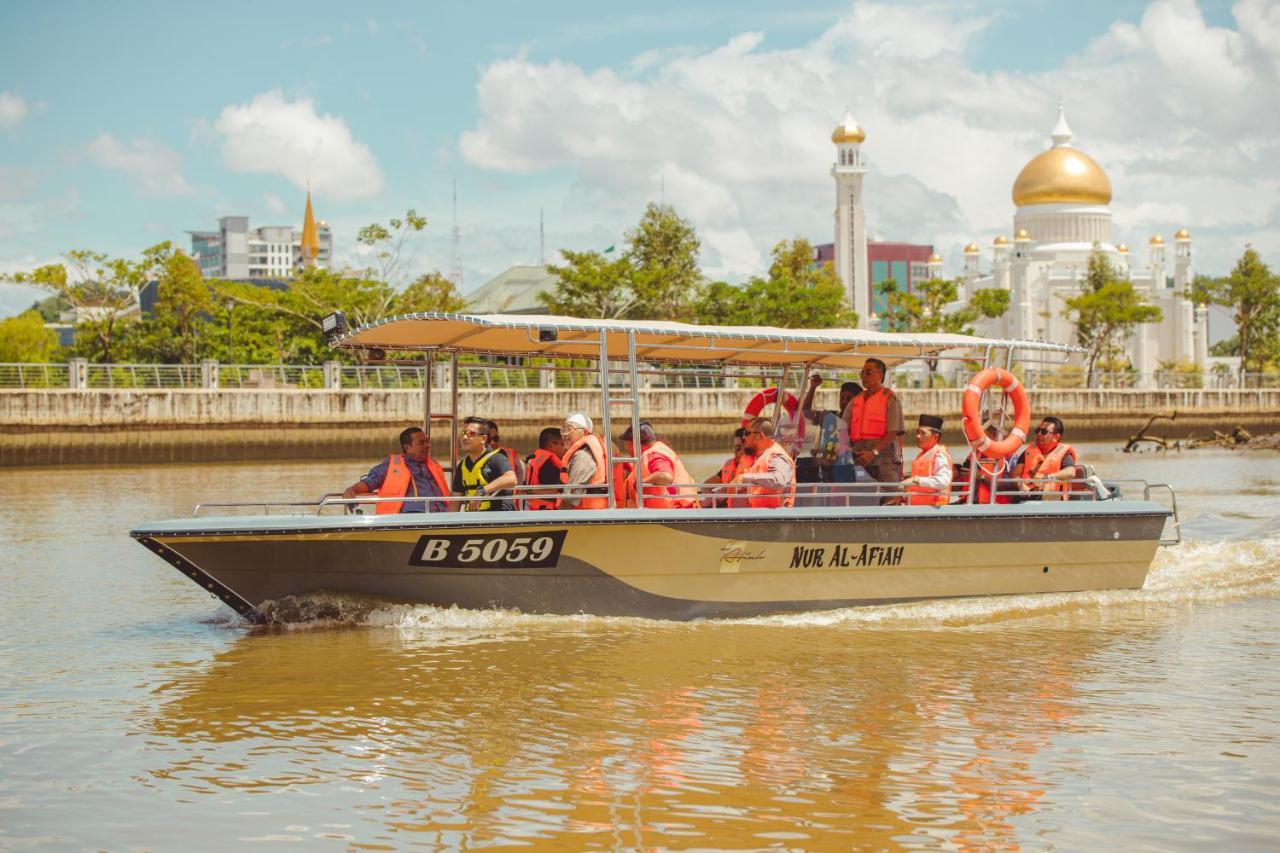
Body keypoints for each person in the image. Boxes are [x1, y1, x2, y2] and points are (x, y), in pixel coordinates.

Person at [342, 426, 449, 514]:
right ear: (407, 448)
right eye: (421, 443)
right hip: (410, 518)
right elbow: (369, 482)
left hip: (443, 516)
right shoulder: (391, 465)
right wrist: (352, 490)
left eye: (427, 442)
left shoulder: (434, 465)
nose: (427, 446)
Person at [800, 373, 862, 499]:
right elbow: (805, 412)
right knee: (804, 464)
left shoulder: (862, 423)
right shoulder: (831, 417)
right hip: (829, 471)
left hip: (849, 473)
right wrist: (812, 388)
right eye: (842, 398)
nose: (844, 402)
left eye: (848, 399)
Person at [848, 358, 906, 492]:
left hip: (884, 459)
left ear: (880, 375)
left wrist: (872, 453)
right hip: (860, 458)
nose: (863, 376)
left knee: (889, 498)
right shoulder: (855, 401)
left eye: (868, 373)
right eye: (862, 373)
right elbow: (843, 428)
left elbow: (892, 432)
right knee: (861, 498)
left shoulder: (890, 398)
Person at [621, 421, 698, 509]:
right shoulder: (658, 449)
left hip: (673, 512)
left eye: (628, 445)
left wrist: (642, 483)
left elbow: (665, 476)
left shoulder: (654, 454)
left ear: (636, 444)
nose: (627, 450)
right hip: (672, 509)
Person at [452, 417, 517, 511]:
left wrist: (481, 491)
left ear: (483, 438)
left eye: (471, 434)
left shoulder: (497, 458)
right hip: (473, 521)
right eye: (463, 433)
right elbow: (455, 502)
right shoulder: (462, 466)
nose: (465, 437)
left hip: (498, 520)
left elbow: (511, 479)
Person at [1017, 416, 1081, 501]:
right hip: (1026, 499)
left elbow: (1070, 472)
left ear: (1056, 437)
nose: (1039, 434)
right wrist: (1020, 485)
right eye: (1038, 431)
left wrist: (1049, 477)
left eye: (1044, 432)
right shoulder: (1028, 452)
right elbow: (1016, 474)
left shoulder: (1064, 453)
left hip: (1052, 501)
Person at [738, 417, 797, 508]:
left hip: (776, 517)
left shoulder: (776, 455)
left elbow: (779, 479)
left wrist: (745, 478)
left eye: (747, 433)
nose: (744, 437)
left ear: (761, 436)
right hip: (761, 515)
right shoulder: (761, 456)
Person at [558, 412, 610, 510]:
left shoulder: (582, 457)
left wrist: (556, 520)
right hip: (594, 514)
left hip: (586, 517)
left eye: (569, 429)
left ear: (585, 432)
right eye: (564, 430)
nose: (565, 435)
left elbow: (571, 498)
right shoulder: (587, 452)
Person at [899, 415, 952, 506]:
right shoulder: (922, 455)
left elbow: (943, 481)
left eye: (923, 433)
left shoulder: (939, 455)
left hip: (934, 510)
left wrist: (915, 480)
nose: (918, 436)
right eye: (917, 432)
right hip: (919, 509)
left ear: (935, 437)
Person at [955, 424, 1015, 504]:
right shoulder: (974, 454)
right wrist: (955, 474)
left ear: (993, 435)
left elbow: (1009, 485)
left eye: (980, 436)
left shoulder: (1007, 457)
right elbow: (963, 479)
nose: (977, 439)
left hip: (995, 506)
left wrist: (982, 477)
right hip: (969, 503)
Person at [702, 427, 749, 508]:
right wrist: (714, 502)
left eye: (738, 448)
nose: (734, 451)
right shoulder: (730, 465)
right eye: (734, 447)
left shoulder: (755, 467)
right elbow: (706, 486)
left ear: (748, 448)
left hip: (745, 514)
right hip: (728, 511)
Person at [525, 427, 566, 510]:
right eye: (563, 444)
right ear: (552, 445)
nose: (565, 448)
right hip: (547, 513)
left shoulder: (537, 458)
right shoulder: (549, 463)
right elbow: (551, 491)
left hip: (535, 509)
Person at [484, 419, 526, 485]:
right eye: (489, 440)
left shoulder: (511, 453)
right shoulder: (477, 456)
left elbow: (520, 472)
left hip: (510, 494)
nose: (493, 442)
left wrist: (518, 490)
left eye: (495, 438)